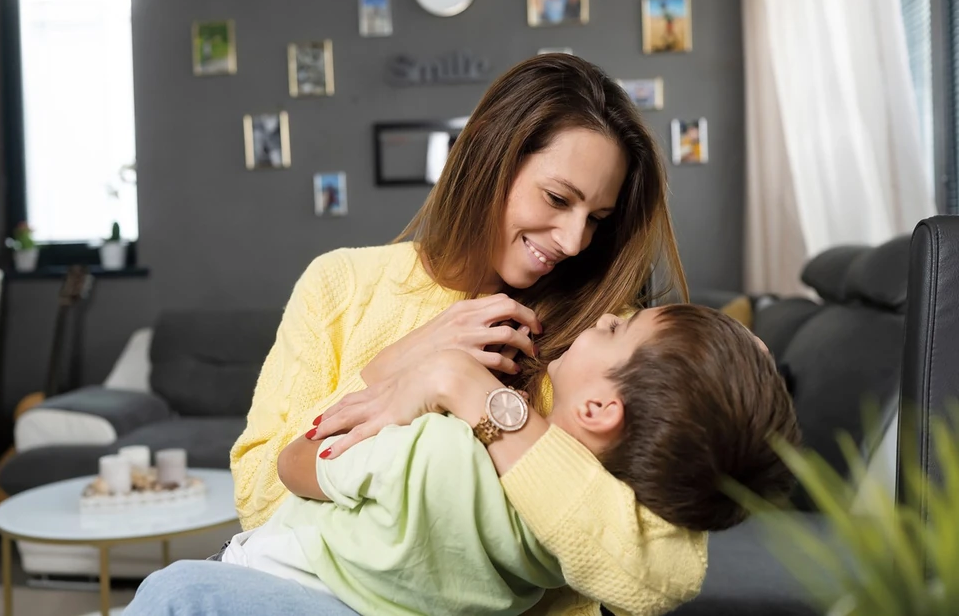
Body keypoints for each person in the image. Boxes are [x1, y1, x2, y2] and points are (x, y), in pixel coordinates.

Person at [126, 53, 710, 615]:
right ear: (490, 159)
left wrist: (474, 393)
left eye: (597, 219)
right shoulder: (340, 284)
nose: (575, 240)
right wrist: (402, 364)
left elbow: (662, 574)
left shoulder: (603, 340)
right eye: (558, 199)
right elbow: (259, 499)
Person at [129, 305, 797, 616]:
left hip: (285, 580)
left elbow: (297, 466)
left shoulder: (440, 451)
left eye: (619, 329)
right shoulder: (565, 542)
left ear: (599, 408)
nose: (607, 316)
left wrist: (415, 378)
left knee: (175, 593)